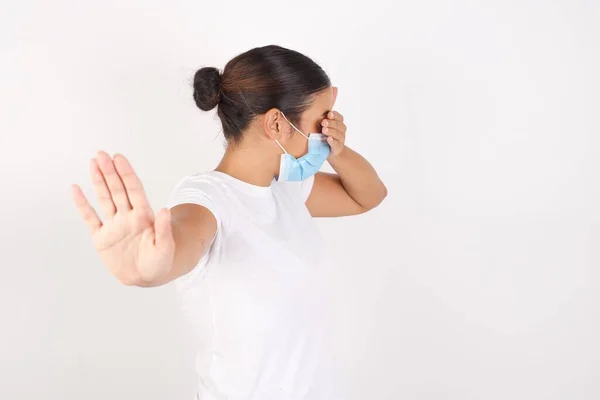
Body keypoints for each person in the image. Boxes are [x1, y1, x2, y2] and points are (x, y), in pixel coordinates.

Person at [71, 44, 387, 400]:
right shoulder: (207, 198)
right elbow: (181, 242)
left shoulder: (287, 188)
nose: (328, 132)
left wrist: (338, 150)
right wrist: (147, 270)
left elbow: (367, 196)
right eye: (322, 121)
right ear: (277, 124)